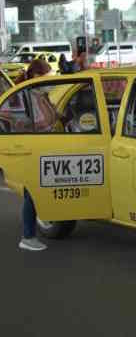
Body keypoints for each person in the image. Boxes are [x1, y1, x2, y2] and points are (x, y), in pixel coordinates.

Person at [17, 59, 54, 251]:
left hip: (43, 148)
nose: (49, 83)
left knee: (36, 192)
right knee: (32, 193)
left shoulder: (41, 95)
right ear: (36, 77)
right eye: (46, 79)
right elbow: (19, 122)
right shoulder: (24, 96)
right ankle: (27, 236)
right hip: (31, 148)